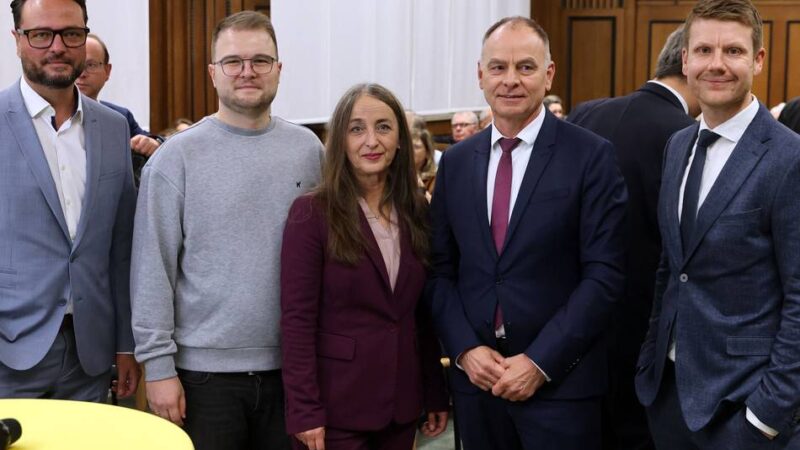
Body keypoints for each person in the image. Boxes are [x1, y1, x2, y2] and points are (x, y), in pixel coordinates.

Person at [427, 16, 627, 450]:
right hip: (478, 387)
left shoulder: (591, 156)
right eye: (498, 67)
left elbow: (605, 275)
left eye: (526, 67)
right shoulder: (456, 163)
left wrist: (540, 362)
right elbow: (440, 271)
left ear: (548, 74)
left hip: (561, 388)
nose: (511, 80)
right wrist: (464, 350)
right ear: (480, 75)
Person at [131, 11, 323, 450]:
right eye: (233, 61)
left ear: (279, 69)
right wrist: (158, 369)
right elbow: (152, 271)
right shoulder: (175, 159)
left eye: (260, 60)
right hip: (203, 378)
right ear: (212, 73)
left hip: (293, 371)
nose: (247, 71)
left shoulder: (309, 151)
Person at [635, 1, 800, 448]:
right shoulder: (677, 145)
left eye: (733, 51)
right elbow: (671, 267)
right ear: (685, 59)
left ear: (758, 60)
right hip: (667, 397)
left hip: (743, 409)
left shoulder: (789, 157)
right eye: (704, 50)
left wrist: (765, 417)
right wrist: (651, 360)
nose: (717, 64)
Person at [281, 83, 448, 450]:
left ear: (400, 139)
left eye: (383, 127)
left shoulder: (417, 209)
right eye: (356, 129)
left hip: (401, 405)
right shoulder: (311, 213)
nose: (371, 140)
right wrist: (304, 409)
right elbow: (297, 321)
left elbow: (422, 314)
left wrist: (435, 390)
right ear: (339, 140)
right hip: (335, 409)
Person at [0, 0, 138, 401]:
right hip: (9, 354)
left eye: (71, 34)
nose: (58, 46)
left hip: (89, 358)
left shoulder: (113, 128)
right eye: (41, 34)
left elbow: (121, 248)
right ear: (17, 39)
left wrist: (126, 344)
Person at [568, 25, 698, 450]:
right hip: (647, 334)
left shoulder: (586, 113)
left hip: (574, 323)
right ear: (687, 64)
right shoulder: (687, 135)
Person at [75, 33, 161, 185]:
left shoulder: (120, 117)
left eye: (91, 65)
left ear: (107, 71)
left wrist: (154, 144)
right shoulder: (47, 116)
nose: (81, 74)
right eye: (76, 65)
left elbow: (156, 145)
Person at [411, 116, 437, 200]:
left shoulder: (435, 180)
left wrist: (421, 188)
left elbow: (435, 206)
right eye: (408, 147)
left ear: (428, 153)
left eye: (416, 147)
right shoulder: (396, 177)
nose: (410, 151)